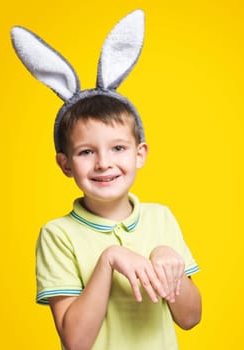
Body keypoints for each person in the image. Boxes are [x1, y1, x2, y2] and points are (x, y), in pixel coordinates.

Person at [36, 94, 201, 349]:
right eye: (87, 152)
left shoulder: (161, 218)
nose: (104, 163)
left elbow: (190, 318)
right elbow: (75, 343)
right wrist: (108, 260)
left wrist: (169, 262)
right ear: (65, 164)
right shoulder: (57, 235)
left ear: (140, 154)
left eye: (118, 148)